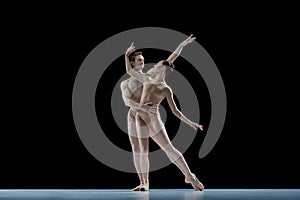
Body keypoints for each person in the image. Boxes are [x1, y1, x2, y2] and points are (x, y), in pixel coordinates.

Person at [123, 36, 205, 191]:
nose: (153, 66)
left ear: (162, 69)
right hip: (140, 115)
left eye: (157, 66)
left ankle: (190, 176)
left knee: (168, 148)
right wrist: (126, 55)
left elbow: (175, 111)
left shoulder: (165, 88)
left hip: (153, 116)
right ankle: (144, 182)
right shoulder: (146, 78)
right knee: (141, 150)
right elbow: (129, 70)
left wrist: (191, 123)